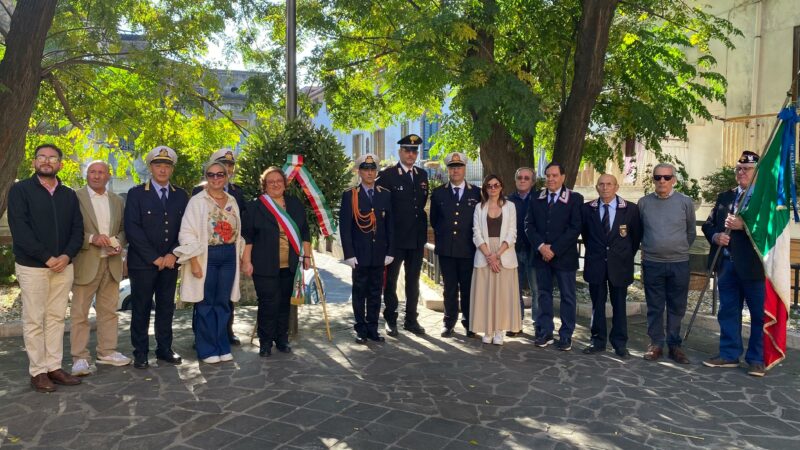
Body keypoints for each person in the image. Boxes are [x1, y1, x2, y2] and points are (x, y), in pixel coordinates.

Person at [7, 143, 84, 392]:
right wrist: (47, 257)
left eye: (52, 158)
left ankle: (54, 367)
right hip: (33, 267)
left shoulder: (69, 194)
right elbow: (20, 230)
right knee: (34, 320)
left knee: (56, 318)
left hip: (63, 266)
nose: (46, 161)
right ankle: (37, 372)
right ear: (34, 163)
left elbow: (77, 229)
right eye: (41, 157)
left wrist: (67, 256)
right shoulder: (20, 191)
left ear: (60, 164)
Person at [701, 151, 766, 377]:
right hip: (726, 265)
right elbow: (708, 225)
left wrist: (743, 226)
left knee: (758, 315)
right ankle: (729, 355)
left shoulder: (764, 199)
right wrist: (716, 236)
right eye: (738, 168)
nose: (741, 172)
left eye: (747, 169)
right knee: (727, 311)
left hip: (754, 267)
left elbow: (770, 231)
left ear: (757, 171)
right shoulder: (725, 197)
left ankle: (757, 359)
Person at [124, 146, 189, 369]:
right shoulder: (136, 193)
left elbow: (185, 229)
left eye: (167, 166)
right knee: (141, 308)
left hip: (170, 263)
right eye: (158, 165)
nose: (162, 170)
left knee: (165, 308)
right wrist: (155, 258)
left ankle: (164, 349)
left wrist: (172, 254)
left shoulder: (181, 195)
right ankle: (141, 352)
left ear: (172, 169)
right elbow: (132, 229)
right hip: (143, 264)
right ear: (151, 167)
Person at [175, 160, 244, 364]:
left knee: (223, 303)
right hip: (207, 256)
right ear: (206, 177)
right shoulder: (197, 201)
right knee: (206, 304)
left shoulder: (232, 200)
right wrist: (194, 262)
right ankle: (206, 350)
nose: (216, 178)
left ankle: (222, 345)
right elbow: (186, 233)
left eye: (220, 174)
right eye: (211, 175)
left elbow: (237, 232)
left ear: (227, 176)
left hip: (229, 255)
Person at [241, 167, 311, 357]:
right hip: (264, 265)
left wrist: (307, 256)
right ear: (264, 185)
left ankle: (282, 339)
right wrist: (246, 261)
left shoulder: (295, 204)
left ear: (285, 183)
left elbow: (304, 231)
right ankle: (265, 342)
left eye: (278, 180)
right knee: (268, 303)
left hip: (290, 264)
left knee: (284, 304)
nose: (275, 184)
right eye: (270, 181)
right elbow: (248, 237)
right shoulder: (255, 206)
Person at [70, 160, 130, 376]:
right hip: (86, 262)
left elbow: (124, 229)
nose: (96, 176)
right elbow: (70, 229)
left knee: (108, 312)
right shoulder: (75, 198)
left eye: (101, 172)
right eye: (92, 172)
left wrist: (119, 243)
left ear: (108, 176)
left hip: (111, 262)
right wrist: (91, 238)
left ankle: (107, 352)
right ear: (87, 175)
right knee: (79, 313)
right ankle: (79, 358)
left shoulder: (117, 200)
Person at [638, 163, 696, 364]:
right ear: (653, 180)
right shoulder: (643, 203)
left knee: (677, 306)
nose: (662, 180)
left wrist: (676, 248)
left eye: (666, 177)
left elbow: (690, 232)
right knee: (654, 306)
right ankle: (655, 344)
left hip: (679, 263)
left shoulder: (685, 202)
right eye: (658, 177)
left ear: (674, 180)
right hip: (653, 263)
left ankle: (674, 345)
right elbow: (640, 230)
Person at [580, 174, 641, 358]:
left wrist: (622, 254)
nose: (605, 187)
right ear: (596, 187)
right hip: (596, 263)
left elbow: (636, 237)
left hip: (620, 265)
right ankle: (597, 341)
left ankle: (620, 343)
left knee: (619, 305)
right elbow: (586, 235)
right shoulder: (587, 209)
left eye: (609, 184)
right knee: (597, 305)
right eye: (601, 184)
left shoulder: (630, 209)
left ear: (616, 187)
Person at [525, 162, 583, 351]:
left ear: (563, 177)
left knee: (567, 296)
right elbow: (529, 225)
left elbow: (575, 228)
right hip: (541, 256)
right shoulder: (536, 197)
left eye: (555, 175)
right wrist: (542, 247)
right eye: (548, 175)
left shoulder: (574, 198)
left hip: (564, 257)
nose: (550, 179)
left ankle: (566, 335)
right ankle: (545, 332)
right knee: (543, 295)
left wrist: (554, 249)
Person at [191, 148, 246, 346]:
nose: (227, 169)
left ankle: (225, 333)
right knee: (205, 297)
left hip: (229, 252)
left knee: (226, 296)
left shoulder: (237, 193)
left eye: (230, 166)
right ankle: (202, 336)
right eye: (224, 165)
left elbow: (242, 224)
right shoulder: (199, 191)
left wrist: (241, 253)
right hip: (207, 252)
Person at [376, 134, 428, 336]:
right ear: (400, 152)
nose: (411, 154)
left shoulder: (422, 175)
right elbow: (382, 208)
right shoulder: (388, 175)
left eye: (414, 151)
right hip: (395, 239)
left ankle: (411, 319)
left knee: (413, 280)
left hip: (415, 238)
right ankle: (391, 319)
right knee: (391, 281)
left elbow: (420, 205)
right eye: (407, 150)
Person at [340, 154, 394, 344]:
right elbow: (345, 227)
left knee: (375, 292)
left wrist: (390, 251)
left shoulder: (385, 194)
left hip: (379, 252)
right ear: (360, 172)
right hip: (359, 253)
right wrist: (349, 254)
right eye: (366, 169)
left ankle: (373, 328)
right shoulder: (350, 195)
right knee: (359, 291)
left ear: (376, 172)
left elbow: (390, 225)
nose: (370, 173)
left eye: (373, 170)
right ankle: (360, 329)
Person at [429, 152, 481, 338]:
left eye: (459, 167)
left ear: (464, 169)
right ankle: (448, 322)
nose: (456, 170)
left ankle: (469, 323)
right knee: (449, 288)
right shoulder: (438, 193)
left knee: (468, 288)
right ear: (448, 170)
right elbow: (435, 221)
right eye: (452, 167)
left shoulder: (476, 193)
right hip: (447, 250)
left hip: (468, 250)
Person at [469, 175, 520, 345]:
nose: (493, 188)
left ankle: (499, 330)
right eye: (489, 186)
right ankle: (488, 330)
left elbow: (512, 232)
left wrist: (497, 255)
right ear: (485, 188)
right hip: (484, 254)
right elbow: (476, 232)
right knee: (486, 295)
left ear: (501, 187)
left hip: (503, 254)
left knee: (502, 296)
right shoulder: (479, 207)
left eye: (496, 185)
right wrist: (489, 256)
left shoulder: (510, 207)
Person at [506, 167, 538, 336]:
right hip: (514, 250)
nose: (523, 180)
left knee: (537, 290)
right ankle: (516, 323)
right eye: (520, 177)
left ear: (533, 181)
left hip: (535, 251)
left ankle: (538, 325)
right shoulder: (508, 201)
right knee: (514, 289)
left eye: (527, 178)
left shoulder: (540, 198)